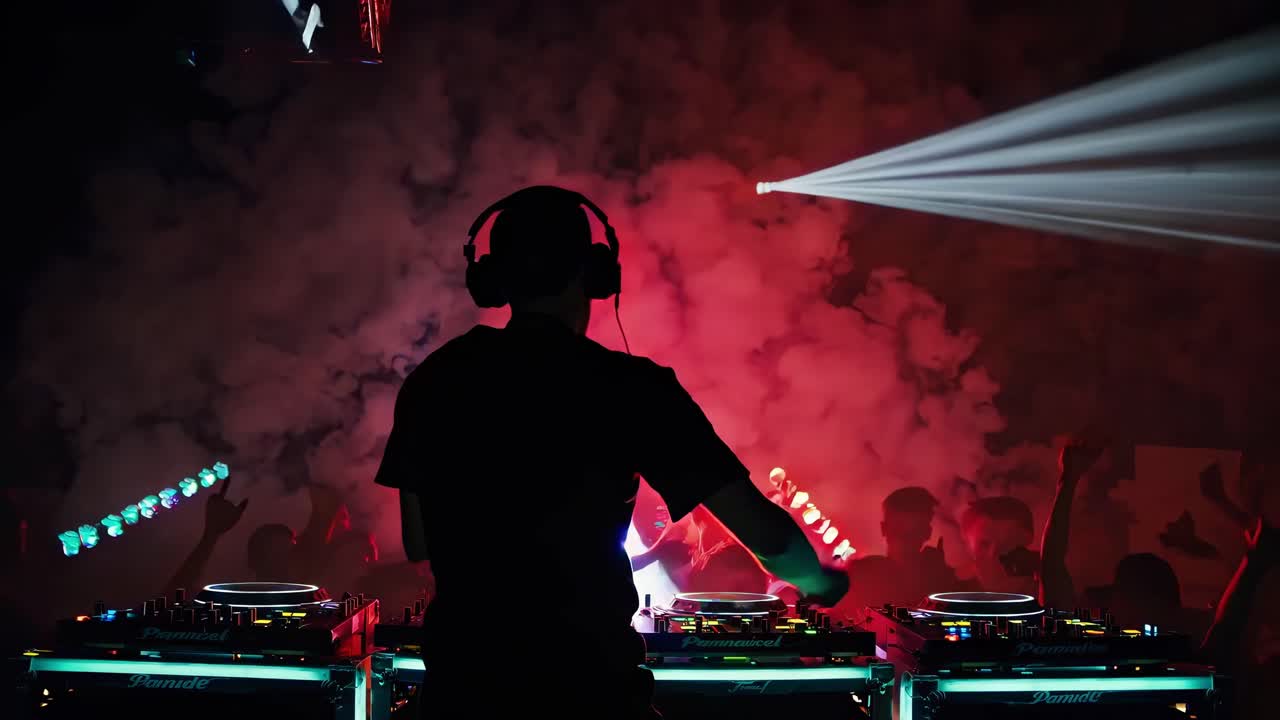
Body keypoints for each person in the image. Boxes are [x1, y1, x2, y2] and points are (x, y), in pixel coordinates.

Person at [373, 186, 848, 719]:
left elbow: (418, 542)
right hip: (591, 693)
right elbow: (766, 535)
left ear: (493, 280)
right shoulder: (631, 388)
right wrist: (819, 579)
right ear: (596, 275)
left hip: (460, 694)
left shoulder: (434, 382)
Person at [833, 487, 958, 617]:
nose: (906, 537)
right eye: (900, 530)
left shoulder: (866, 575)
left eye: (913, 531)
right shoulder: (866, 576)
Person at [959, 495, 1037, 594]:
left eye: (1006, 545)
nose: (993, 555)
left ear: (1027, 540)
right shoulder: (951, 598)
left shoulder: (1051, 594)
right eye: (984, 545)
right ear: (968, 546)